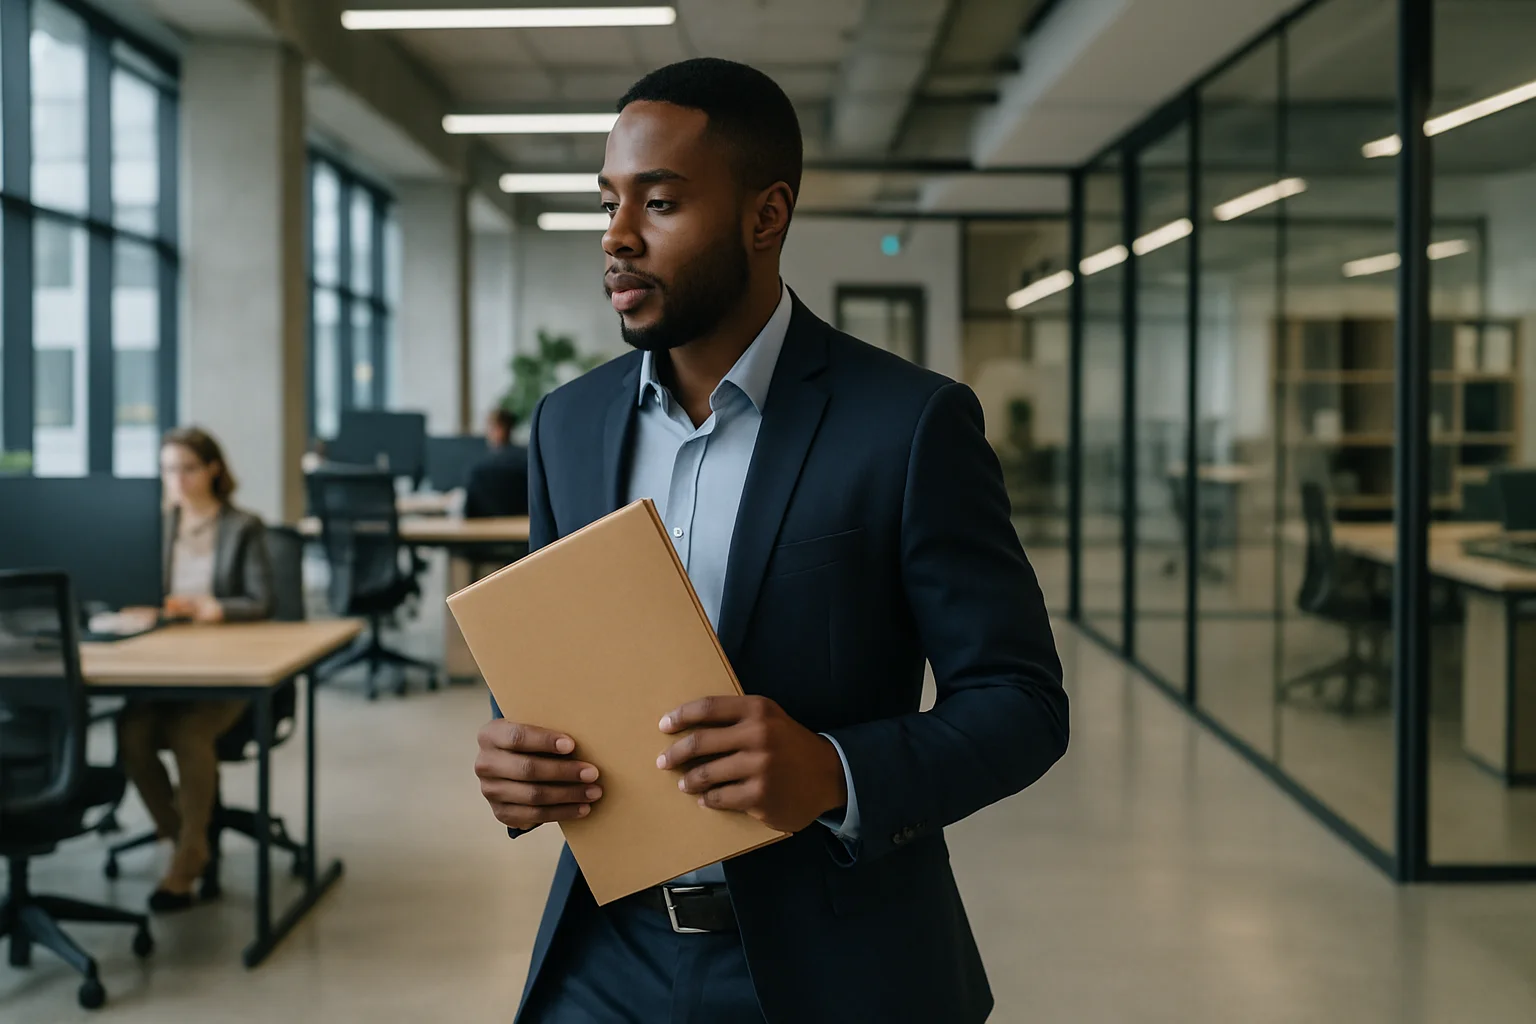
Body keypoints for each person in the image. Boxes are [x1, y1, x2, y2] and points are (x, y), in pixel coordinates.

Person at [473, 58, 1068, 1024]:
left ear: (766, 216)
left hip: (828, 968)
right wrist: (514, 754)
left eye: (659, 203)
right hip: (604, 958)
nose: (618, 238)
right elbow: (543, 667)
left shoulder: (910, 424)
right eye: (610, 202)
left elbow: (1022, 705)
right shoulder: (567, 425)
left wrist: (835, 770)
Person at [117, 426, 274, 913]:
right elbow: (132, 588)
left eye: (187, 467)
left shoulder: (242, 525)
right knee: (131, 733)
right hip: (161, 664)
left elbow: (262, 601)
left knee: (189, 735)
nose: (177, 480)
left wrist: (215, 608)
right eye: (168, 469)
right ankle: (183, 835)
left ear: (212, 469)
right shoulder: (155, 525)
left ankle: (187, 861)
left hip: (225, 670)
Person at [463, 407, 530, 519]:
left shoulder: (479, 467)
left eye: (491, 427)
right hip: (521, 526)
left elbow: (469, 510)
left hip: (482, 530)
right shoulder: (528, 459)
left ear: (501, 429)